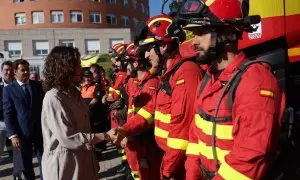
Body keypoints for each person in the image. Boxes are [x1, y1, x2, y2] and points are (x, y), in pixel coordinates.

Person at [173, 0, 286, 179]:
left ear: (227, 33)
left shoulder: (255, 82)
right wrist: (193, 174)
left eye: (201, 33)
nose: (194, 42)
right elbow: (196, 136)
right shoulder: (208, 79)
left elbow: (248, 160)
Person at [136, 14, 203, 180]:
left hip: (180, 165)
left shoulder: (185, 73)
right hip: (171, 159)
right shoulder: (169, 74)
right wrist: (126, 129)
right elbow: (152, 108)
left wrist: (167, 170)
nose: (146, 56)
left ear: (164, 46)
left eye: (149, 49)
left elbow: (182, 131)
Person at [41, 46, 109, 180]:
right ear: (64, 67)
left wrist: (92, 159)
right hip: (66, 167)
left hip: (84, 163)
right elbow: (68, 138)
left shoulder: (75, 93)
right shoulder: (53, 97)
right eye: (77, 64)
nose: (81, 68)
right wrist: (104, 136)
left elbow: (84, 129)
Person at [3, 59, 44, 180]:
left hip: (39, 131)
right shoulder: (9, 89)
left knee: (44, 159)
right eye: (23, 70)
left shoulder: (37, 86)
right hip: (22, 134)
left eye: (28, 69)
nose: (26, 72)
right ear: (15, 71)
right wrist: (13, 135)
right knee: (25, 164)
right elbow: (8, 113)